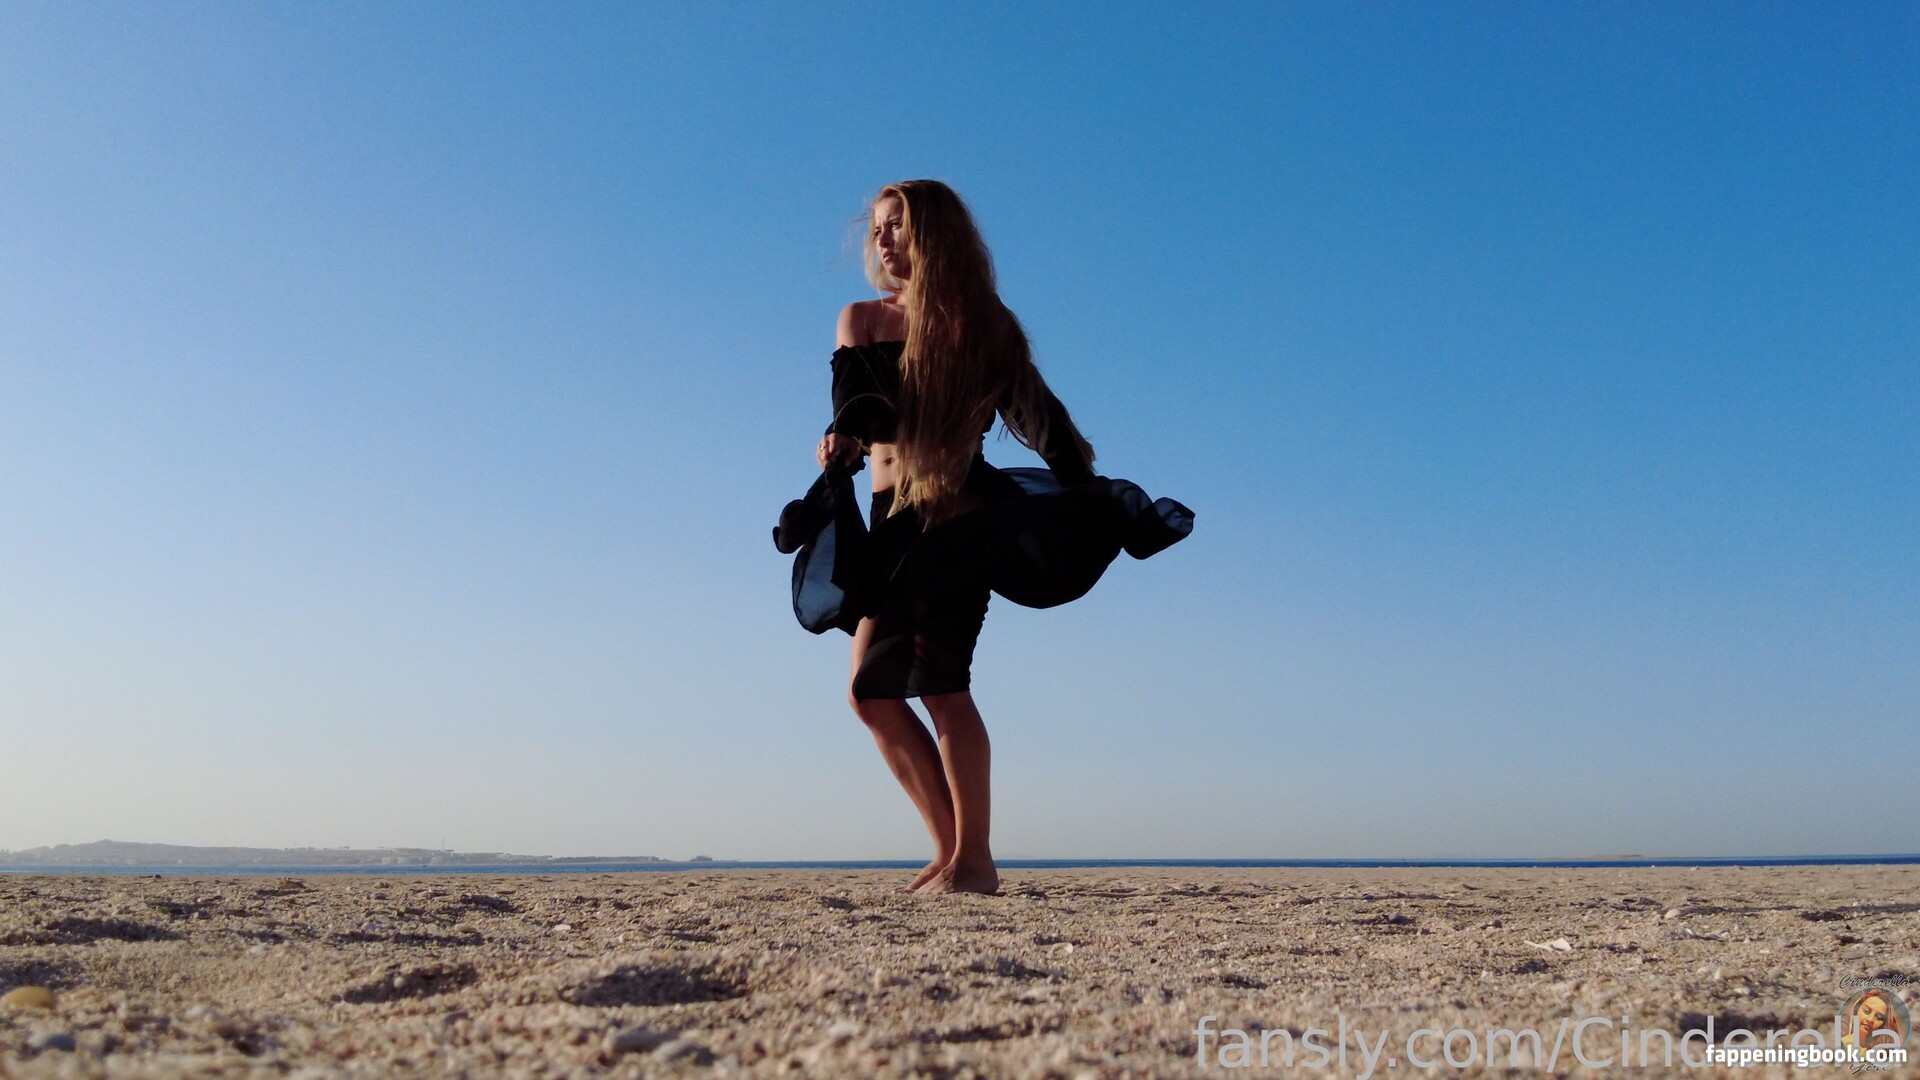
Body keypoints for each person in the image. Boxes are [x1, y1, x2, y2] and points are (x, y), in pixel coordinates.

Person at [791, 179, 1192, 895]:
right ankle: (954, 850)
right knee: (869, 693)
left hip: (957, 516)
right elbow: (860, 406)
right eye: (877, 227)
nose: (883, 237)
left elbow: (1038, 418)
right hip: (888, 521)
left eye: (897, 224)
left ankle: (972, 860)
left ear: (934, 233)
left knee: (941, 685)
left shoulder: (981, 326)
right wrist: (840, 440)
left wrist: (1087, 491)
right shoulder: (861, 319)